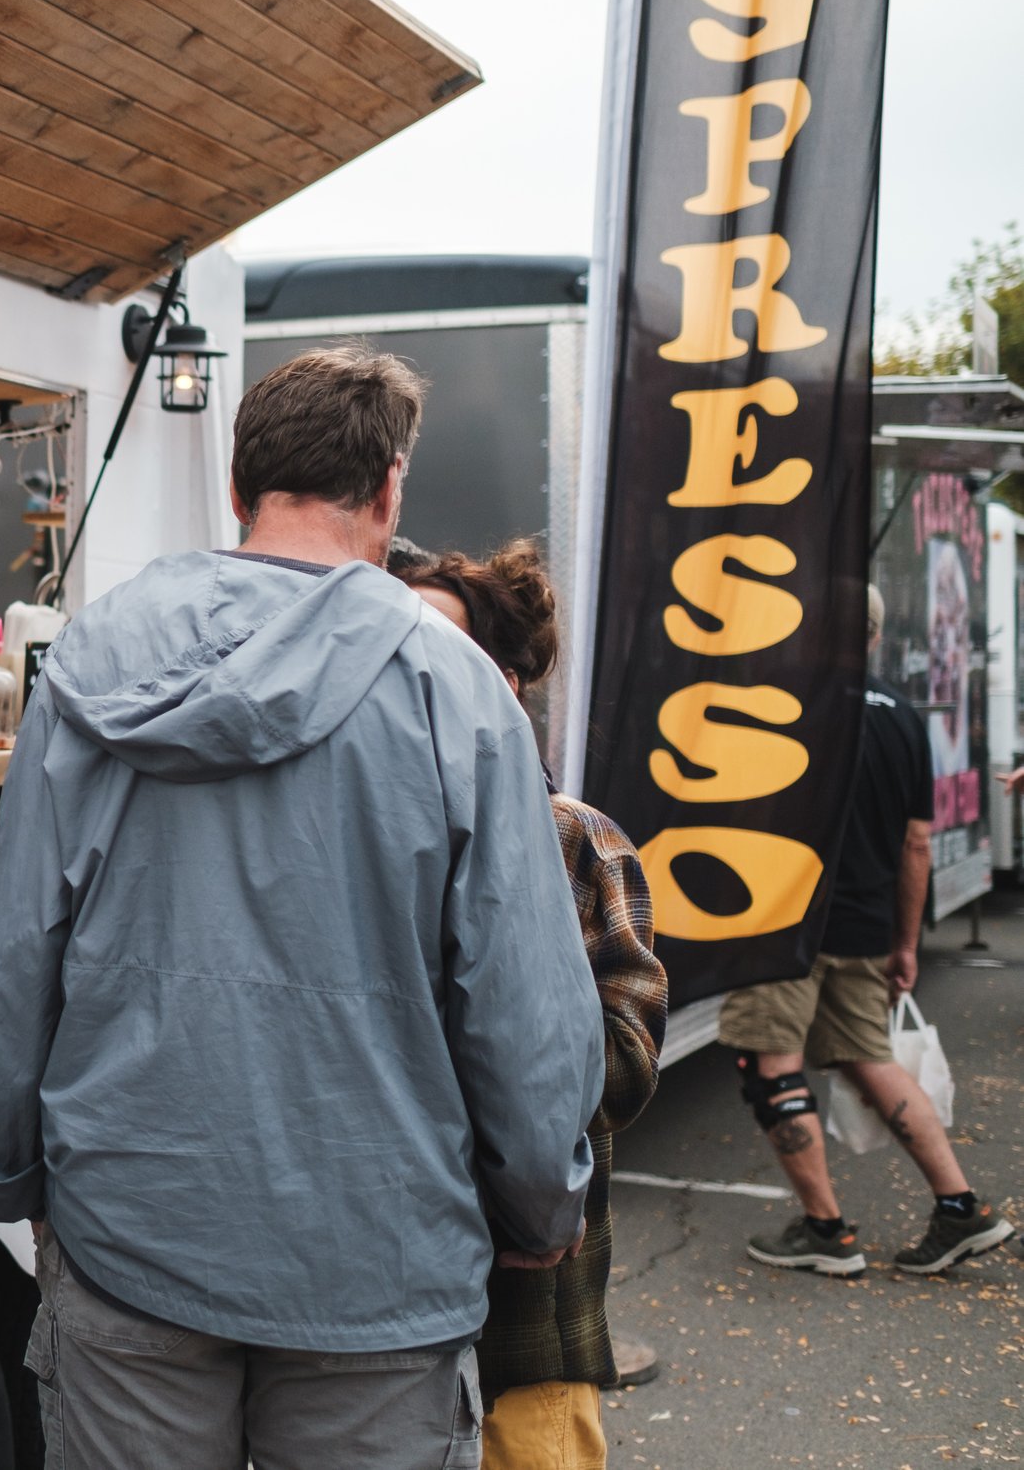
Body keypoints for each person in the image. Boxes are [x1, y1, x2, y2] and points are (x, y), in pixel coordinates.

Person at [0, 344, 603, 1470]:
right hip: (379, 1256)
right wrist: (541, 1207)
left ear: (238, 488)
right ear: (389, 487)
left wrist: (8, 1173)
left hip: (129, 1227)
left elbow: (17, 950)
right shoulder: (457, 691)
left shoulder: (91, 655)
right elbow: (521, 1000)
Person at [398, 543, 667, 1470]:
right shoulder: (377, 824)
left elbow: (628, 1059)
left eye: (435, 648)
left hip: (525, 1316)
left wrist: (514, 1052)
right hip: (384, 1306)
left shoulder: (575, 838)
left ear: (503, 684)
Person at [720, 585, 1011, 1276]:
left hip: (785, 922)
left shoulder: (782, 702)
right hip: (864, 926)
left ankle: (826, 1229)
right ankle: (960, 1205)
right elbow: (918, 844)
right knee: (869, 1057)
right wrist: (904, 942)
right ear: (877, 637)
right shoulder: (907, 719)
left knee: (771, 1069)